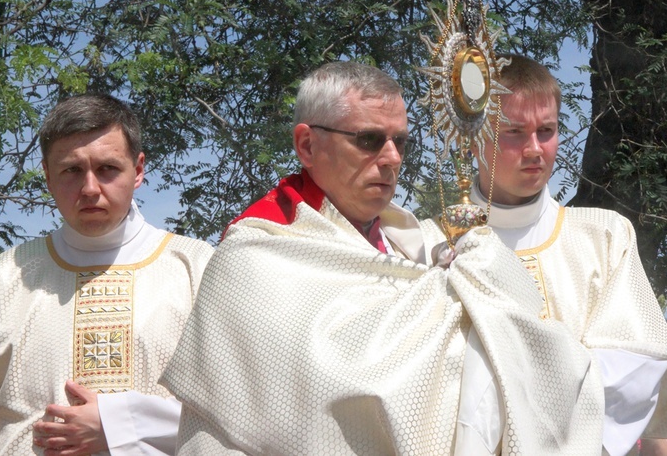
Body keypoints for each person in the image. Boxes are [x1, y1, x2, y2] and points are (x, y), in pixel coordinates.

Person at [161, 61, 611, 455]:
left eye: (401, 142)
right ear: (307, 145)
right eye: (370, 139)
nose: (392, 158)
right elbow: (313, 400)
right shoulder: (255, 257)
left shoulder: (415, 244)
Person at [420, 54, 667, 456]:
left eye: (547, 130)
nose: (534, 149)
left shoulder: (603, 236)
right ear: (474, 139)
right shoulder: (427, 242)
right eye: (513, 132)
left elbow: (637, 362)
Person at [0, 94, 214, 455]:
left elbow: (243, 412)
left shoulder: (199, 270)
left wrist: (121, 424)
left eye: (107, 169)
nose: (90, 188)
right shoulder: (1, 280)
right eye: (72, 170)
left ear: (138, 170)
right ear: (46, 174)